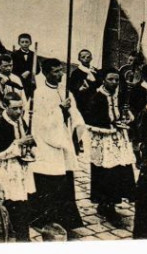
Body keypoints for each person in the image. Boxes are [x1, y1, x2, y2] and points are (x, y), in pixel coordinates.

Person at [28, 58, 84, 232]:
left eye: (61, 70)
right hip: (47, 144)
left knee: (64, 181)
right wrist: (60, 109)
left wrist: (74, 126)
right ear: (46, 73)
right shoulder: (39, 94)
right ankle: (42, 219)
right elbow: (40, 123)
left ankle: (65, 220)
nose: (60, 74)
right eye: (56, 71)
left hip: (63, 140)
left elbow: (75, 115)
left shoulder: (64, 91)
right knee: (48, 182)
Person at [84, 67, 136, 223]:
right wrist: (112, 124)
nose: (114, 82)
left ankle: (112, 202)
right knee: (105, 173)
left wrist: (126, 116)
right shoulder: (97, 97)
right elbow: (91, 119)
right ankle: (105, 204)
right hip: (104, 140)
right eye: (110, 79)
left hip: (118, 139)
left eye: (116, 80)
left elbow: (123, 114)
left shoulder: (119, 95)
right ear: (103, 80)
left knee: (118, 172)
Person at [0, 92, 35, 241]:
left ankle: (22, 238)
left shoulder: (19, 121)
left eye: (21, 108)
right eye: (15, 108)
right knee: (8, 203)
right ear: (5, 106)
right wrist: (20, 143)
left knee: (21, 205)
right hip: (3, 169)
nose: (19, 112)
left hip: (18, 168)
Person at [10, 33, 40, 100]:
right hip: (18, 82)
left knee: (30, 101)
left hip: (30, 83)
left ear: (30, 43)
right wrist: (21, 75)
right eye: (22, 42)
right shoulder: (14, 54)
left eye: (26, 42)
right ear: (19, 43)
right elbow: (12, 69)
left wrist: (29, 71)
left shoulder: (33, 54)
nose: (25, 44)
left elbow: (38, 69)